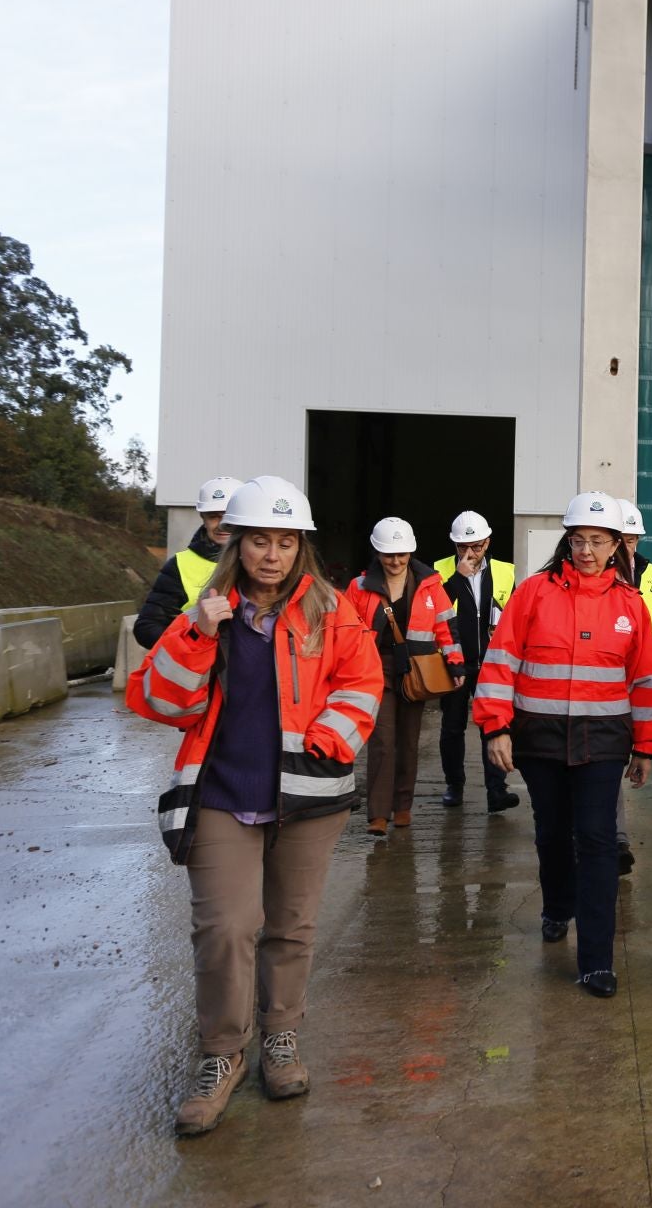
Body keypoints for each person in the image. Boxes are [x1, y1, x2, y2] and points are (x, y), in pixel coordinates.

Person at [125, 476, 380, 1138]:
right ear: (235, 543)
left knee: (291, 926)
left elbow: (362, 682)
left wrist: (328, 742)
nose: (272, 555)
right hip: (220, 793)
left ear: (302, 548)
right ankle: (222, 1052)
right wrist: (195, 635)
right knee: (225, 927)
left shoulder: (332, 610)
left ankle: (281, 1037)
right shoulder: (205, 611)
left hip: (307, 795)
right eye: (260, 541)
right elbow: (155, 700)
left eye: (286, 542)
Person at [473, 492, 652, 998]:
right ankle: (557, 906)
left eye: (598, 541)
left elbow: (644, 681)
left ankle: (596, 960)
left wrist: (646, 745)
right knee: (553, 833)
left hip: (603, 741)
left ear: (616, 544)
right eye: (578, 540)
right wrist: (496, 727)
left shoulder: (630, 605)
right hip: (541, 738)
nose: (586, 551)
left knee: (597, 840)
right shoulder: (533, 593)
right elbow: (501, 661)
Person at [343, 517, 462, 836]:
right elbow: (344, 631)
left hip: (416, 671)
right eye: (389, 555)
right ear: (377, 553)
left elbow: (446, 627)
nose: (395, 561)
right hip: (375, 670)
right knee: (382, 741)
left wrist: (456, 664)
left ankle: (403, 806)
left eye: (401, 554)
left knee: (408, 741)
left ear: (411, 552)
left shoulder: (430, 584)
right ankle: (378, 814)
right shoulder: (358, 587)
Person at [432, 510, 520, 814]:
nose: (470, 553)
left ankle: (497, 791)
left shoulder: (505, 572)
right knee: (452, 728)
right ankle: (454, 786)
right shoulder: (441, 571)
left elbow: (516, 615)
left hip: (491, 663)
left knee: (493, 727)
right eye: (463, 547)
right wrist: (458, 578)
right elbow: (433, 612)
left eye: (477, 546)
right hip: (454, 663)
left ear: (488, 542)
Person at [615, 499, 652, 874]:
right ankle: (615, 838)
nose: (626, 547)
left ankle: (614, 837)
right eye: (621, 540)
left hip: (643, 676)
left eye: (632, 540)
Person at [134, 475, 241, 649]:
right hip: (201, 663)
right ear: (203, 518)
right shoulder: (179, 565)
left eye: (228, 516)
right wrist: (191, 645)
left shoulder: (264, 562)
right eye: (214, 517)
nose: (222, 524)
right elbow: (146, 627)